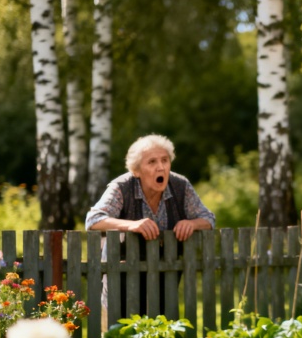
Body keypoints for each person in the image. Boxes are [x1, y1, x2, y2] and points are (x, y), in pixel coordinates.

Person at [85, 134, 216, 318]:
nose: (161, 167)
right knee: (117, 335)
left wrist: (191, 223)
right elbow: (93, 220)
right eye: (152, 162)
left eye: (165, 160)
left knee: (160, 334)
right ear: (136, 170)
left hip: (165, 278)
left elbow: (208, 218)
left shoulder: (180, 186)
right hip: (121, 277)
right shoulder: (121, 187)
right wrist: (131, 225)